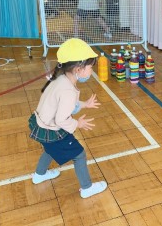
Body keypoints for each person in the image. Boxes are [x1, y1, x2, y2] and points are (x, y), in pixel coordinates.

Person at [29, 38, 107, 199]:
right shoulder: (68, 90)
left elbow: (63, 104)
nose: (92, 71)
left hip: (40, 124)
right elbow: (61, 119)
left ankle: (39, 174)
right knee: (79, 154)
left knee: (50, 149)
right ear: (79, 69)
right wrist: (77, 123)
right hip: (51, 128)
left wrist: (84, 104)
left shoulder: (61, 79)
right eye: (91, 67)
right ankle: (87, 188)